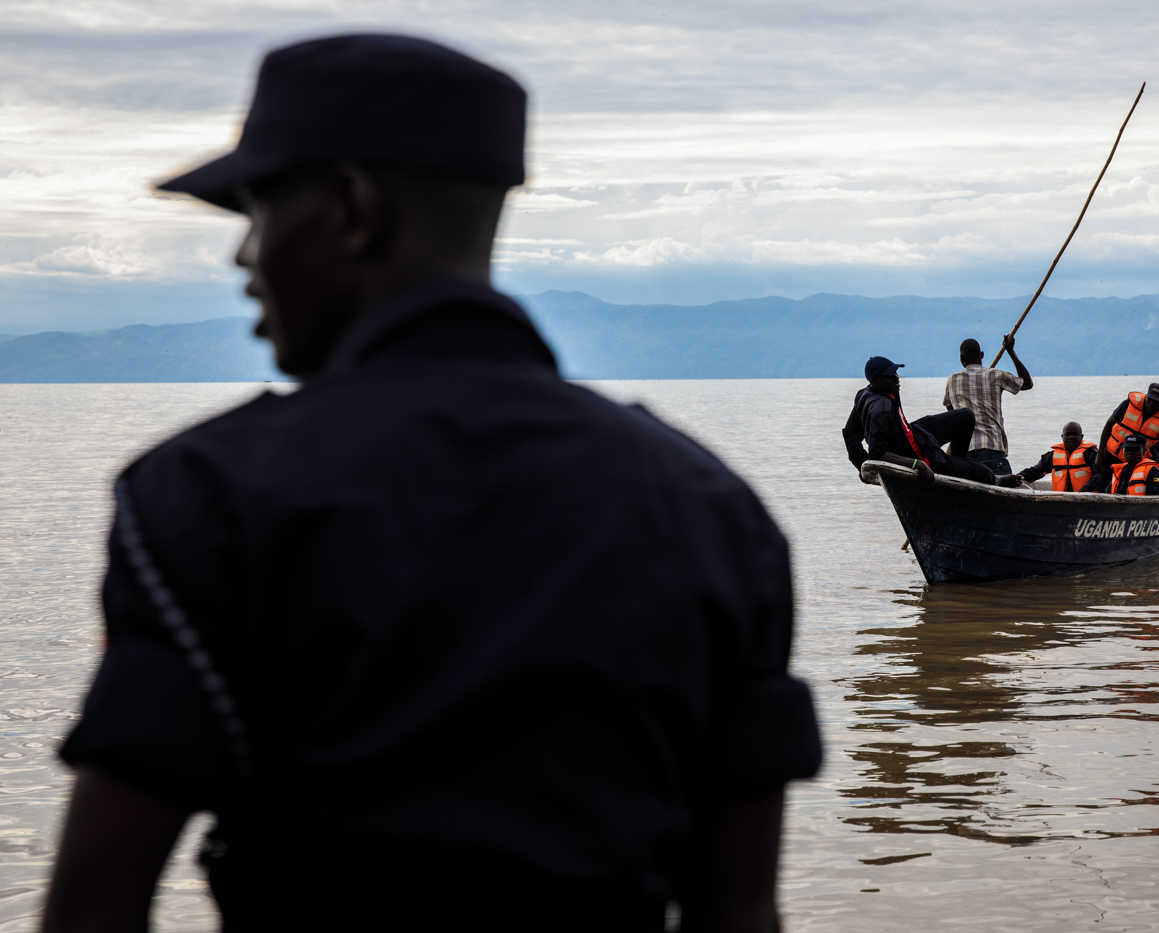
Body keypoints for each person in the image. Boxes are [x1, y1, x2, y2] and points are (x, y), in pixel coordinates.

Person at [43, 35, 821, 933]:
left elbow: (92, 909)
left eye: (255, 214)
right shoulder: (715, 511)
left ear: (350, 209)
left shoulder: (205, 494)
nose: (242, 259)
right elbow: (739, 909)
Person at [843, 356, 1017, 487]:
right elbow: (877, 453)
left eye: (895, 372)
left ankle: (957, 465)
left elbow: (850, 435)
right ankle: (976, 473)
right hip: (917, 454)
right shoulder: (880, 409)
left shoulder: (865, 393)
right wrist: (916, 464)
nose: (896, 377)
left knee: (966, 416)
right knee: (982, 471)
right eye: (890, 376)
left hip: (915, 432)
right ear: (874, 381)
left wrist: (860, 466)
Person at [941, 334, 1033, 475]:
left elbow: (952, 412)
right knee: (1006, 489)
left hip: (963, 454)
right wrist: (1010, 352)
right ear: (982, 355)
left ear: (961, 359)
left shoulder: (952, 381)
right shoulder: (996, 375)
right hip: (992, 451)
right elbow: (1027, 383)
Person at [1012, 421, 1099, 491]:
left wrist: (1084, 489)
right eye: (1067, 435)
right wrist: (1018, 477)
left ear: (1082, 436)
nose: (1071, 437)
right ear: (1062, 437)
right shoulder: (1052, 456)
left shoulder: (1091, 454)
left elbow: (1099, 476)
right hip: (1062, 497)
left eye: (1075, 434)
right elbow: (1035, 471)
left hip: (1086, 494)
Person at [1086, 434, 1159, 496]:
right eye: (1127, 449)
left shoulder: (1152, 470)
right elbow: (1109, 492)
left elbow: (1155, 497)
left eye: (1135, 450)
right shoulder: (1120, 471)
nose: (1130, 453)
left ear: (1144, 452)